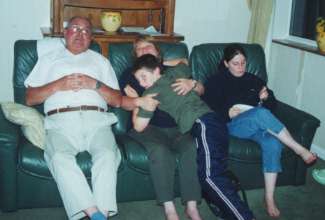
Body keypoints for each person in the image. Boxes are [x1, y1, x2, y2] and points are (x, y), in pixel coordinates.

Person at [24, 16, 158, 220]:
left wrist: (94, 84)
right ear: (65, 33)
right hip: (60, 122)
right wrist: (58, 85)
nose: (80, 34)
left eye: (86, 31)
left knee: (107, 155)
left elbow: (116, 100)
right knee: (59, 158)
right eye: (75, 29)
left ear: (91, 38)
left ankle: (100, 214)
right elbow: (30, 98)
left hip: (97, 120)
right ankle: (96, 214)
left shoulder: (101, 61)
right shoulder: (49, 59)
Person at [130, 54, 256, 220]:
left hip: (203, 122)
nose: (142, 83)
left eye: (143, 77)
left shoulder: (151, 92)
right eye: (139, 80)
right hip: (215, 122)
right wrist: (185, 78)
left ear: (156, 71)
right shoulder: (175, 74)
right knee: (215, 175)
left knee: (211, 178)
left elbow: (139, 126)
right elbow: (184, 62)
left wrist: (138, 100)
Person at [202, 43, 317, 218]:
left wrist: (266, 98)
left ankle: (269, 198)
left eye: (243, 62)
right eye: (235, 63)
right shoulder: (215, 81)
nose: (240, 67)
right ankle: (298, 148)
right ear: (226, 63)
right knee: (260, 114)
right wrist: (227, 112)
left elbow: (273, 106)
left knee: (272, 142)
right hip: (231, 125)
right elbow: (206, 108)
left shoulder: (253, 79)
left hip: (255, 123)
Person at [121, 36, 202, 220]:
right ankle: (169, 208)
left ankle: (192, 206)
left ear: (158, 52)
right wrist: (137, 101)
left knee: (191, 147)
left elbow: (188, 68)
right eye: (139, 50)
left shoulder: (173, 71)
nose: (143, 51)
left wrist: (193, 84)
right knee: (159, 150)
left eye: (147, 47)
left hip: (177, 126)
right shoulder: (130, 73)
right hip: (147, 126)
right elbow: (123, 101)